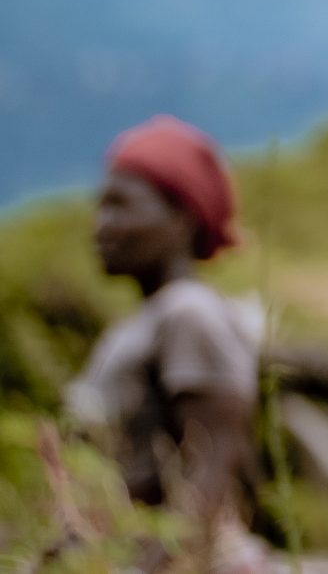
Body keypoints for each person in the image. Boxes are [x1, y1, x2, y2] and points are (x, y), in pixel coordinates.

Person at [66, 115, 265, 569]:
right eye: (100, 206)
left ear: (182, 215)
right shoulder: (143, 323)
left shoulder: (189, 313)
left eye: (121, 205)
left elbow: (210, 473)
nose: (102, 225)